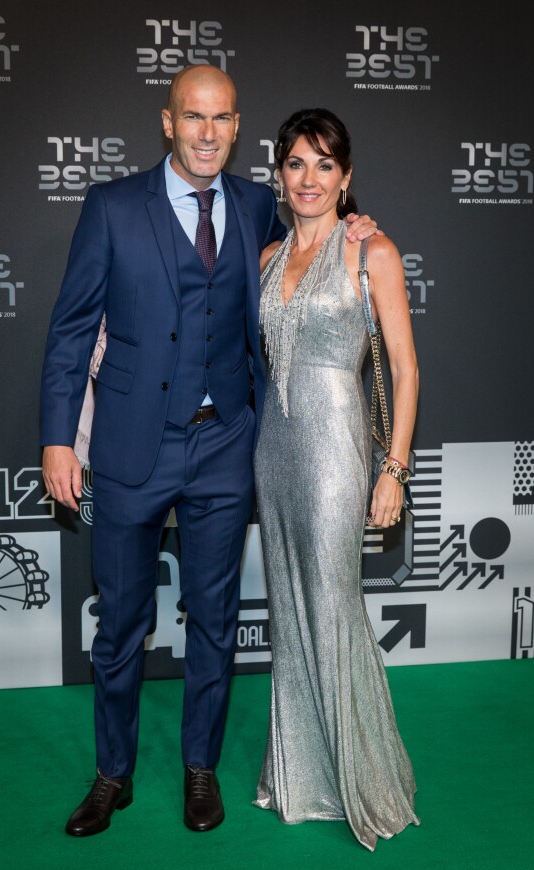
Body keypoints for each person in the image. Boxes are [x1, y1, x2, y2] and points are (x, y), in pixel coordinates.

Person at [40, 69, 378, 838]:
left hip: (226, 443)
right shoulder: (112, 207)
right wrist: (59, 438)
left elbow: (318, 235)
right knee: (121, 623)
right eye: (192, 117)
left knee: (216, 619)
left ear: (235, 127)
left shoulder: (261, 202)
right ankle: (112, 775)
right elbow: (68, 332)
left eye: (221, 118)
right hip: (131, 446)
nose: (206, 132)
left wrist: (358, 224)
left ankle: (201, 769)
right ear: (168, 122)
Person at [253, 108, 420, 851]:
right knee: (290, 610)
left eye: (325, 165)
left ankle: (362, 778)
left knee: (333, 600)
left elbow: (407, 370)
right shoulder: (263, 258)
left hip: (335, 451)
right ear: (279, 175)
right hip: (274, 450)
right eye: (296, 163)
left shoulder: (372, 250)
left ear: (346, 178)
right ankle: (302, 777)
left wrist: (394, 467)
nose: (310, 178)